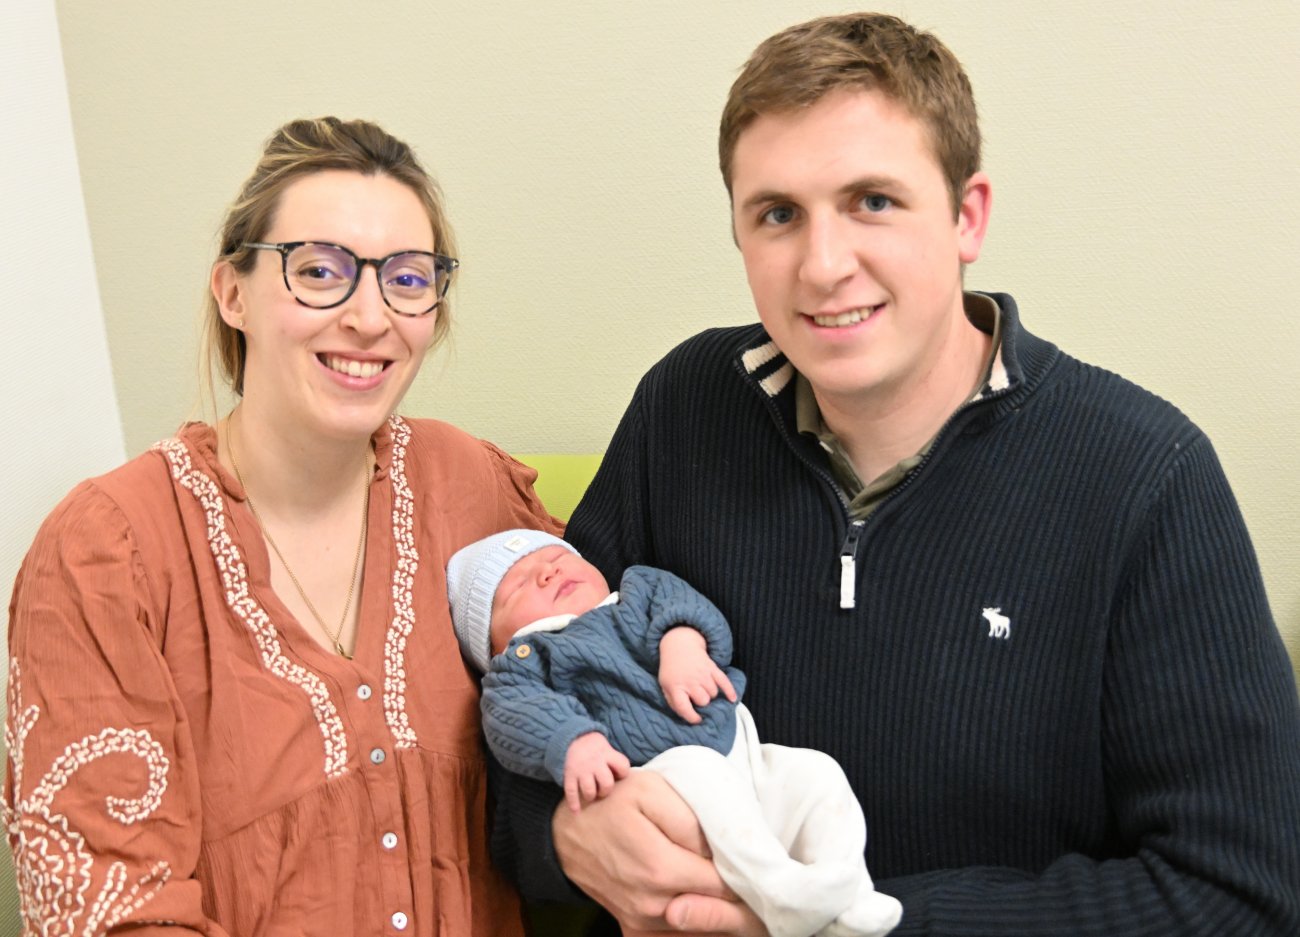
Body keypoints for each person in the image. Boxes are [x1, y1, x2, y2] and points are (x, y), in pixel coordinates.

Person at [489, 13, 1300, 937]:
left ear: (967, 216)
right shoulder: (682, 409)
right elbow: (508, 712)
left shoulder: (1147, 477)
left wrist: (852, 925)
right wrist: (562, 836)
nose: (824, 265)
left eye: (872, 200)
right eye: (778, 214)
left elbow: (1240, 893)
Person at [3, 117, 561, 936]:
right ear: (233, 293)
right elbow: (112, 906)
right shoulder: (106, 552)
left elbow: (604, 675)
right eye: (320, 271)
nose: (370, 317)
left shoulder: (469, 488)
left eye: (408, 278)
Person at [446, 529, 902, 937]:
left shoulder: (638, 589)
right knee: (705, 774)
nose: (548, 572)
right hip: (666, 778)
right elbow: (517, 714)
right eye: (518, 585)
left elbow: (685, 608)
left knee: (814, 773)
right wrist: (575, 741)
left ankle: (847, 892)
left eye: (556, 558)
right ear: (492, 644)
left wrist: (682, 644)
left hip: (744, 751)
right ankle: (783, 900)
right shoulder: (523, 662)